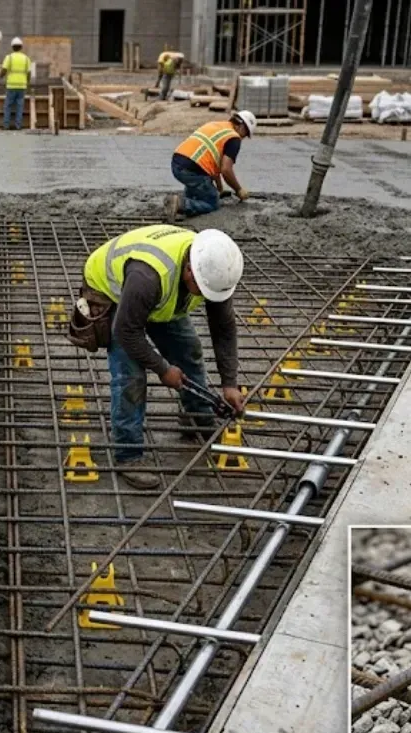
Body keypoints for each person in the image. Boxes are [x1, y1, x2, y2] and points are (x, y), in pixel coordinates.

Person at [69, 224, 244, 490]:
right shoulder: (149, 276)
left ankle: (196, 422)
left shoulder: (212, 269)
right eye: (203, 291)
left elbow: (224, 328)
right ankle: (128, 454)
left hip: (158, 297)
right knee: (131, 375)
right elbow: (127, 332)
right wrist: (162, 368)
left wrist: (229, 383)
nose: (207, 298)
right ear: (189, 271)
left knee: (189, 351)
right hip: (112, 290)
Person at [165, 110, 256, 221]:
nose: (243, 138)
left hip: (177, 162)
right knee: (212, 204)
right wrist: (239, 190)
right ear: (242, 127)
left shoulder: (216, 126)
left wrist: (220, 189)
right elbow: (226, 170)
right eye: (245, 135)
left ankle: (184, 201)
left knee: (200, 189)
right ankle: (180, 203)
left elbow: (213, 165)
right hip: (192, 169)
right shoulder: (234, 138)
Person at [0, 37, 32, 131]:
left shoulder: (9, 57)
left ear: (12, 47)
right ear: (21, 47)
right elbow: (29, 73)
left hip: (11, 85)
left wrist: (0, 77)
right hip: (22, 86)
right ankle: (18, 126)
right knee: (19, 106)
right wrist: (28, 83)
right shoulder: (26, 59)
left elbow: (4, 70)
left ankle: (6, 125)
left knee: (8, 106)